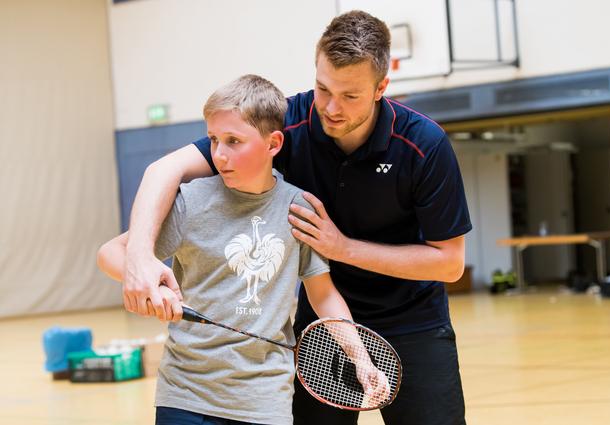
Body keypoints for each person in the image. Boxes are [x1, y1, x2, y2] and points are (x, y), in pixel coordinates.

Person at [123, 11, 471, 425]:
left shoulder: (423, 145)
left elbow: (449, 264)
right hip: (318, 328)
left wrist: (343, 249)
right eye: (323, 88)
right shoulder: (286, 124)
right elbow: (163, 171)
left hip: (412, 323)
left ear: (382, 88)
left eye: (350, 96)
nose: (331, 107)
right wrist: (141, 257)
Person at [97, 74, 385, 425]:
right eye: (214, 140)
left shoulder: (299, 208)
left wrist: (360, 357)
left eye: (234, 141)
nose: (219, 154)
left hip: (265, 400)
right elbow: (111, 253)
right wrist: (150, 283)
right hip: (187, 394)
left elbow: (323, 295)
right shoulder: (192, 201)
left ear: (273, 144)